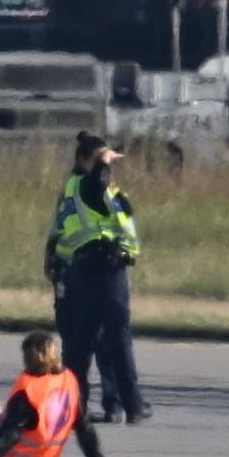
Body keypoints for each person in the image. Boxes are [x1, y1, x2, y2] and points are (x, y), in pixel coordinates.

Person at [53, 131, 150, 425]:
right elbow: (97, 186)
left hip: (83, 269)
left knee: (81, 344)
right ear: (85, 160)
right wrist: (104, 163)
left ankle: (77, 407)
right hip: (104, 268)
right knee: (117, 340)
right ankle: (131, 405)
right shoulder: (88, 184)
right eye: (98, 160)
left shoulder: (75, 187)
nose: (105, 166)